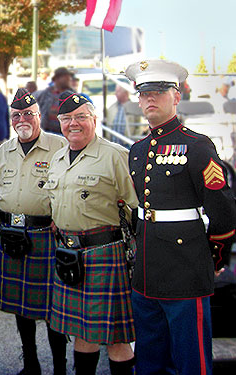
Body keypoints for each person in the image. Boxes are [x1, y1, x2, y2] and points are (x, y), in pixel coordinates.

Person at [125, 59, 236, 375]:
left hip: (185, 267)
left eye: (158, 91)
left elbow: (223, 211)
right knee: (148, 358)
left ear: (177, 95)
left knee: (191, 359)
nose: (150, 99)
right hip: (147, 268)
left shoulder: (198, 146)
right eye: (144, 93)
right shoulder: (138, 149)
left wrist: (213, 258)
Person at [46, 91, 138, 374]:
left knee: (115, 339)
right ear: (60, 122)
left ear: (94, 119)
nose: (73, 123)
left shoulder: (115, 156)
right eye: (67, 118)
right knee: (82, 333)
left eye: (81, 117)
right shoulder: (58, 158)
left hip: (106, 255)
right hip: (69, 255)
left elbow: (136, 209)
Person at [0, 88, 68, 375]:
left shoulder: (60, 148)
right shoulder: (3, 151)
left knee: (52, 309)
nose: (23, 119)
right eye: (17, 115)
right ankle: (31, 364)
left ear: (39, 116)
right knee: (22, 308)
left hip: (46, 234)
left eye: (28, 114)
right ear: (11, 119)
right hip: (11, 233)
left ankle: (59, 368)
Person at [34, 67, 73, 134]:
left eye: (68, 77)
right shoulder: (45, 93)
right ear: (56, 79)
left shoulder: (73, 95)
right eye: (65, 77)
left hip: (65, 133)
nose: (68, 79)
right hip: (46, 131)